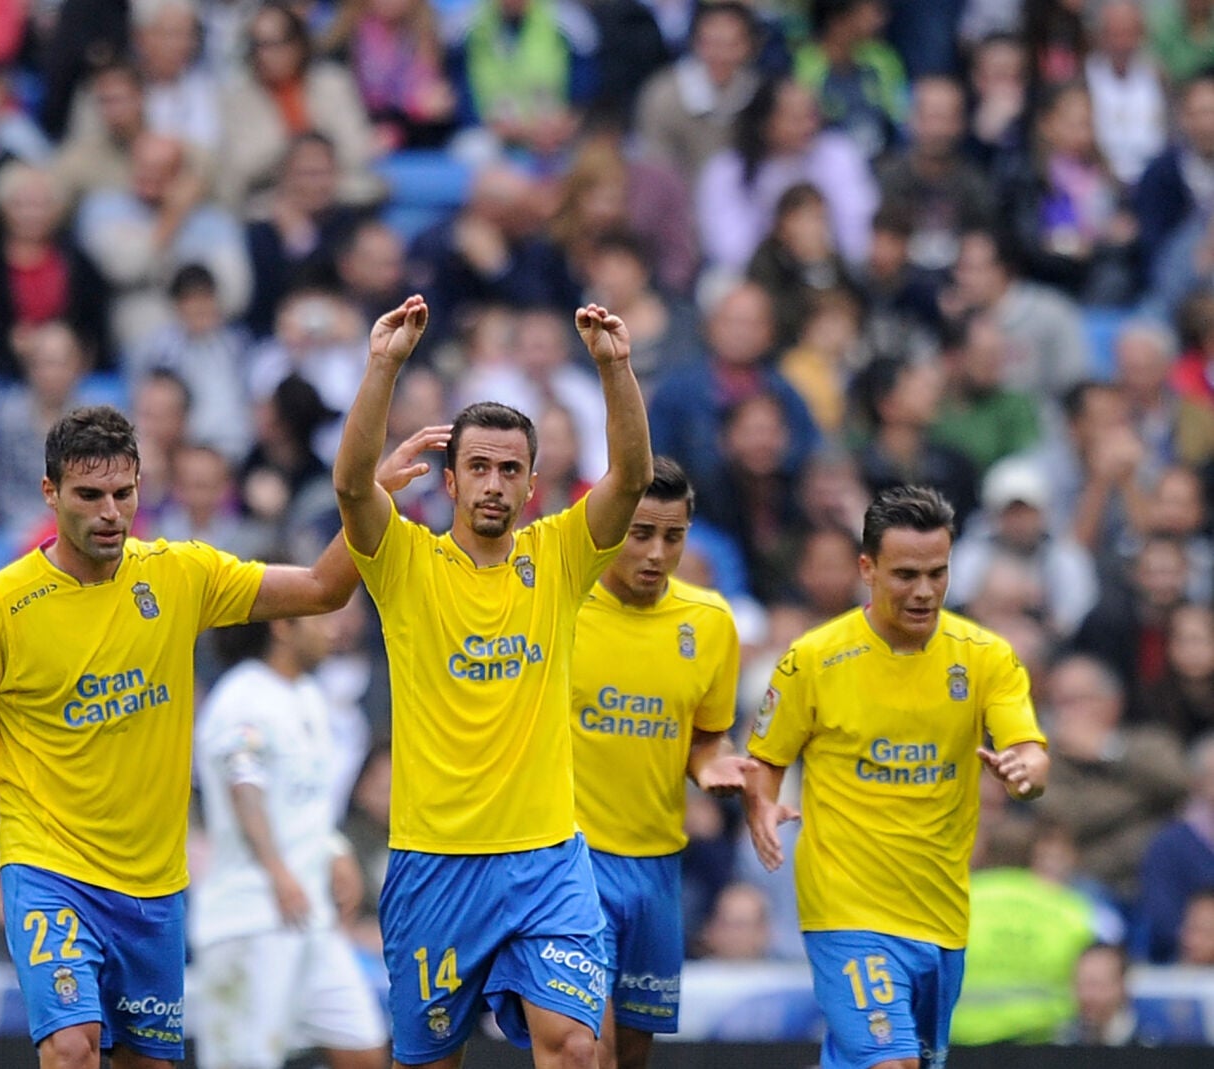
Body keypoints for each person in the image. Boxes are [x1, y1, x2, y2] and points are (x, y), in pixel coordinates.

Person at [0, 406, 404, 1069]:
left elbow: (321, 587)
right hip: (50, 869)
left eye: (123, 493)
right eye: (89, 495)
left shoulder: (177, 574)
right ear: (50, 493)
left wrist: (375, 500)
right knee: (72, 1044)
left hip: (153, 886)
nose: (110, 511)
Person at [332, 296, 653, 1069]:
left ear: (532, 483)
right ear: (448, 479)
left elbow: (633, 477)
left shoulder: (561, 556)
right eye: (478, 466)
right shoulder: (406, 564)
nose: (494, 484)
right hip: (434, 863)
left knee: (578, 1046)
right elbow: (350, 489)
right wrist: (383, 365)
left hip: (546, 859)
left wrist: (615, 370)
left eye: (511, 469)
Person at [744, 485, 1050, 1069]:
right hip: (846, 909)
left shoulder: (985, 657)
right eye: (906, 574)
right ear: (868, 568)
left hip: (940, 913)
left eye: (938, 573)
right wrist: (759, 805)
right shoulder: (813, 660)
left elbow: (1028, 750)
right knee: (892, 1064)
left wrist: (1024, 773)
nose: (924, 590)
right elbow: (766, 760)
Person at [568, 456, 750, 1069]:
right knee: (586, 1048)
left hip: (655, 868)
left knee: (629, 1057)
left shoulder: (711, 622)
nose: (655, 553)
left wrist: (712, 767)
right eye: (639, 533)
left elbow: (707, 737)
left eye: (672, 537)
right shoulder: (559, 606)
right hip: (568, 861)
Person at [191, 610, 388, 1069]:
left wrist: (334, 851)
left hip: (310, 922)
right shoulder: (242, 696)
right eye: (318, 620)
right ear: (281, 626)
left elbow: (301, 802)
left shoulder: (307, 696)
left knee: (363, 1049)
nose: (332, 629)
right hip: (250, 918)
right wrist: (278, 871)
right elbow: (245, 785)